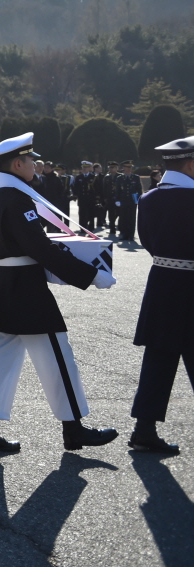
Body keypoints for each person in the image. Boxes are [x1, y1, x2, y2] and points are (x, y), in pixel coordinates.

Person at [0, 133, 118, 453]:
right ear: (18, 164)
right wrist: (91, 275)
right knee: (58, 357)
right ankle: (74, 428)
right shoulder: (17, 198)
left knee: (2, 360)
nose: (36, 165)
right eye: (31, 160)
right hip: (25, 290)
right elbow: (40, 248)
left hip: (1, 283)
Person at [128, 136, 194, 454]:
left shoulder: (150, 199)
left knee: (158, 359)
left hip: (163, 283)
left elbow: (149, 242)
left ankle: (144, 429)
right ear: (191, 164)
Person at [115, 160, 143, 242]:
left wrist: (139, 199)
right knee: (123, 218)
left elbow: (139, 189)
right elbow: (118, 190)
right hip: (123, 201)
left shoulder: (135, 177)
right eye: (128, 167)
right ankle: (124, 234)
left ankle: (131, 235)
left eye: (131, 167)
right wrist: (117, 200)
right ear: (123, 168)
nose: (130, 168)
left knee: (131, 218)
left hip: (132, 201)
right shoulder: (120, 178)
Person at [72, 161, 98, 232]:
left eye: (86, 167)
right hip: (82, 199)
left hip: (91, 199)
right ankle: (82, 227)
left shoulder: (94, 177)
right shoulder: (78, 177)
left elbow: (98, 188)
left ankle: (91, 227)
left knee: (91, 214)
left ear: (89, 168)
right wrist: (75, 195)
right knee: (82, 214)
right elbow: (75, 187)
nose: (84, 169)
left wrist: (97, 198)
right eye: (83, 167)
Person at [103, 161, 121, 236]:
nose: (111, 169)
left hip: (118, 198)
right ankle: (112, 229)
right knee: (111, 215)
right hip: (110, 198)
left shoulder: (120, 176)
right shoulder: (107, 177)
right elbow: (104, 188)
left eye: (113, 167)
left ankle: (121, 228)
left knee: (120, 213)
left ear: (117, 168)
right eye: (110, 167)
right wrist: (104, 198)